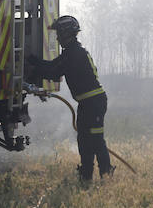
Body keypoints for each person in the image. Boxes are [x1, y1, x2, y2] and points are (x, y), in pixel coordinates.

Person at [27, 15, 114, 183]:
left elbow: (53, 71)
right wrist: (33, 62)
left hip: (94, 103)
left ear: (66, 34)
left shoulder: (74, 54)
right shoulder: (71, 52)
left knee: (96, 139)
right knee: (83, 139)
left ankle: (106, 174)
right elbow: (52, 67)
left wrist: (33, 64)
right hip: (87, 103)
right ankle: (86, 174)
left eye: (59, 34)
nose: (58, 38)